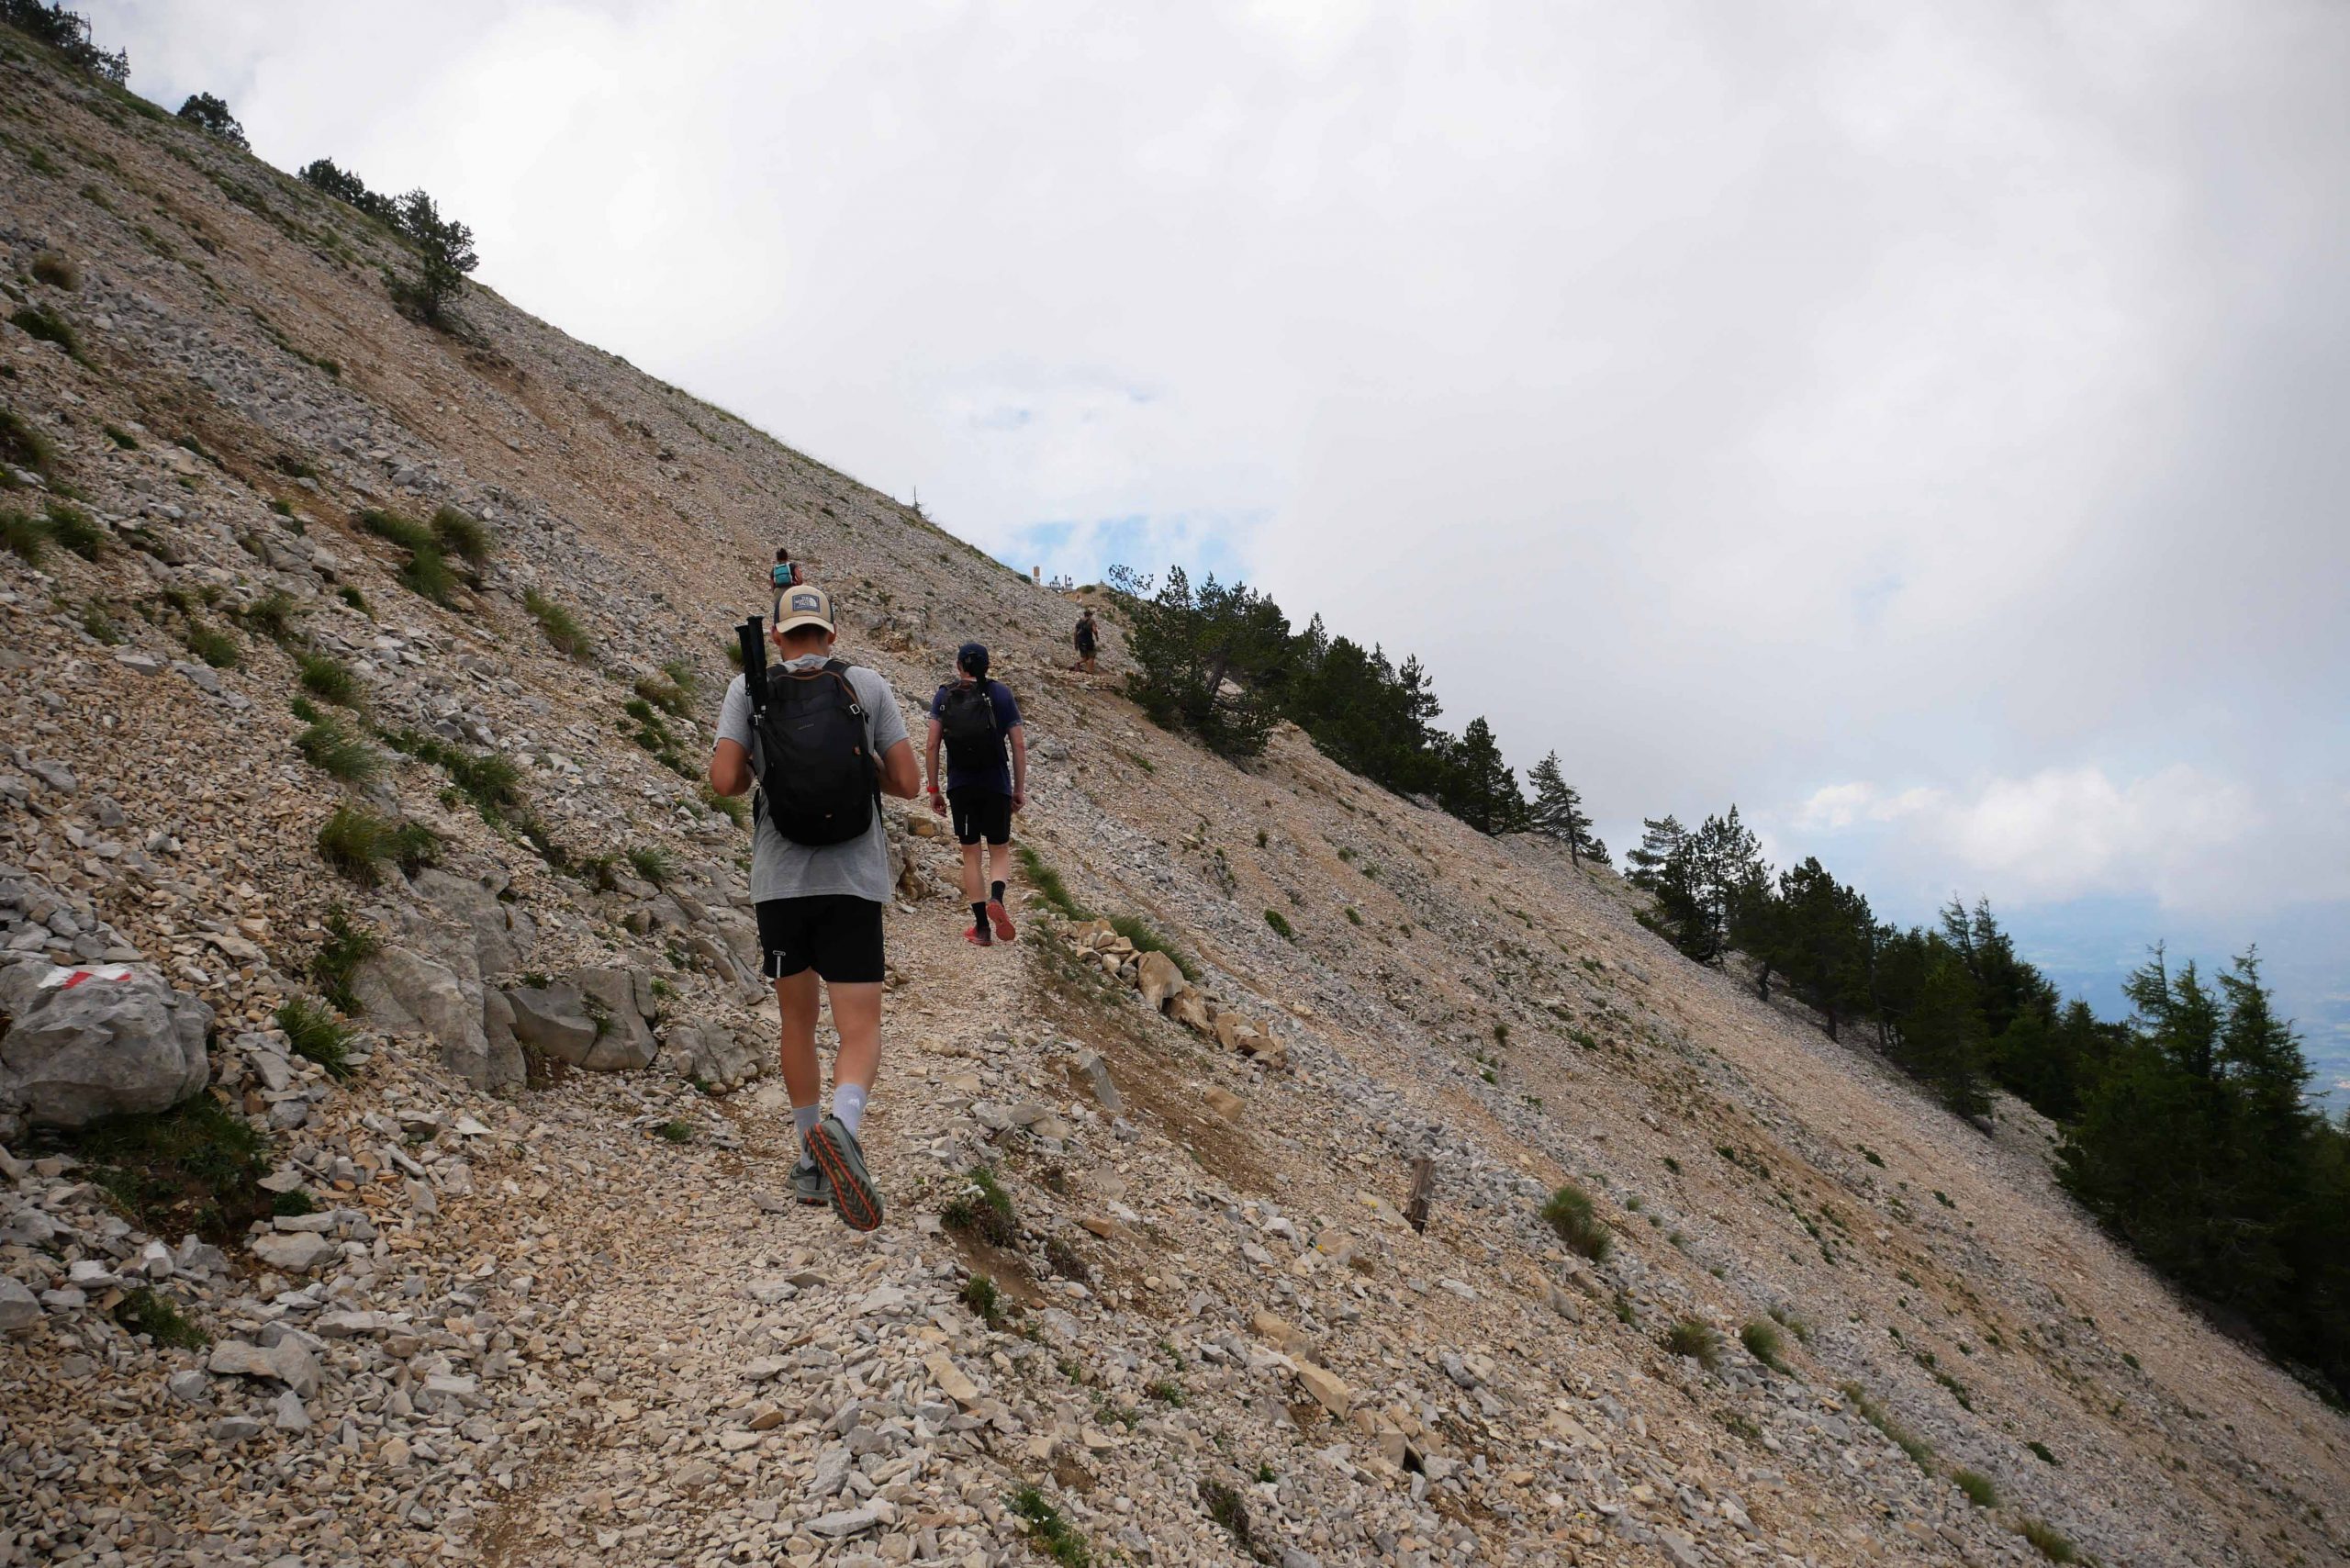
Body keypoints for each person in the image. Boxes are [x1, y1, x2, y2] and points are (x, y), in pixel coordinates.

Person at [709, 585, 921, 1231]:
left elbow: (724, 781)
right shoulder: (867, 686)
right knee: (859, 1027)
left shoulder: (749, 690)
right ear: (830, 635)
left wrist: (762, 766)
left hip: (781, 884)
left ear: (777, 636)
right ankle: (844, 1127)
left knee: (796, 1022)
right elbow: (909, 783)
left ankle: (809, 1156)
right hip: (853, 882)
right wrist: (863, 771)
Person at [925, 643, 1025, 946]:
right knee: (999, 849)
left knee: (971, 854)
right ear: (987, 666)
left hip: (961, 786)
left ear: (959, 666)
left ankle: (981, 928)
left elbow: (931, 745)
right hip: (995, 784)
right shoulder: (1001, 694)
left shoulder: (945, 695)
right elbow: (1018, 745)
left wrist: (933, 790)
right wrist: (1018, 789)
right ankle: (997, 897)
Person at [1072, 607, 1099, 674]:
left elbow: (1075, 633)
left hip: (1080, 641)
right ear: (1090, 615)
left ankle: (1077, 663)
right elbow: (1095, 631)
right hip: (1088, 641)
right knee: (1091, 656)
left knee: (1085, 657)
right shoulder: (1091, 621)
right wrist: (1096, 636)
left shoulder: (1079, 622)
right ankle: (1090, 672)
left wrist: (1075, 643)